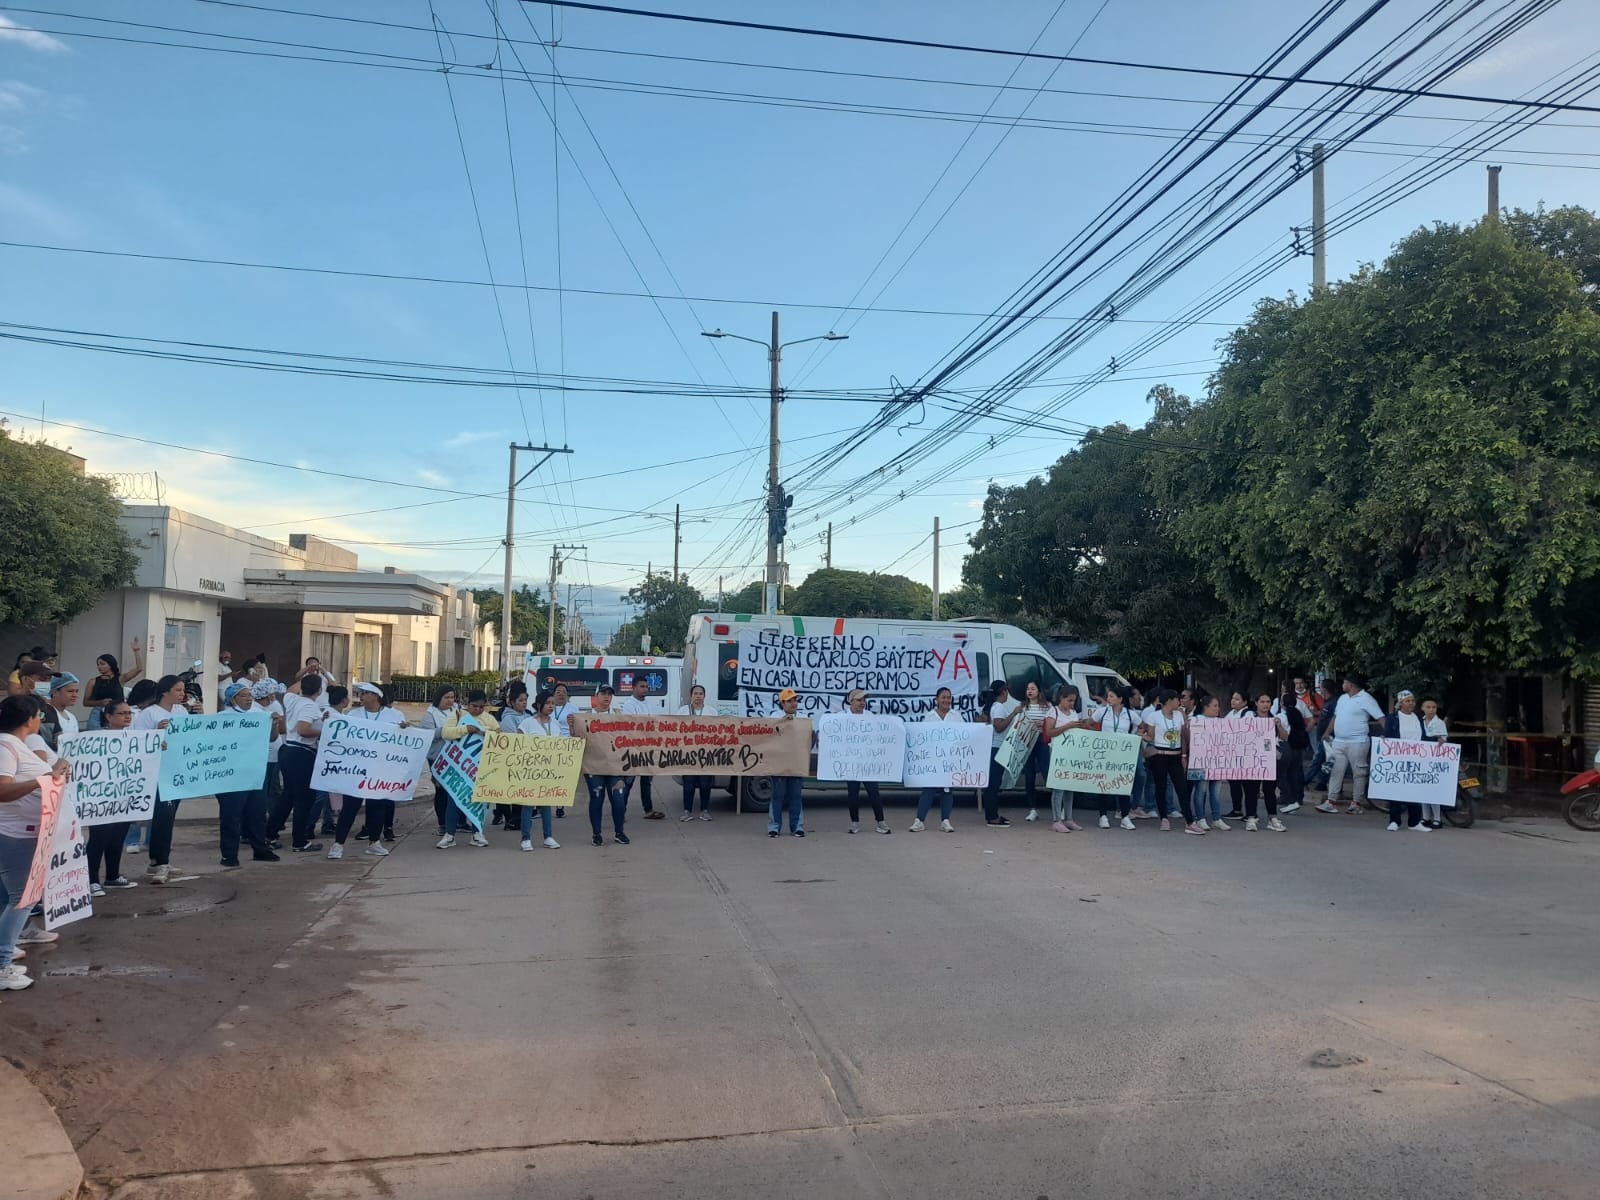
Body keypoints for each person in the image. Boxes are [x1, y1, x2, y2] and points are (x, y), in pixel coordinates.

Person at [0, 695, 73, 991]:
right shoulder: (6, 746)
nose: (40, 720)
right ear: (29, 718)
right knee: (23, 898)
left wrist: (55, 771)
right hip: (16, 834)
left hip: (22, 832)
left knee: (8, 898)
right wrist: (43, 780)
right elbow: (2, 791)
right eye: (39, 715)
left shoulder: (14, 745)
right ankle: (2, 965)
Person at [327, 683, 407, 860]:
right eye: (360, 693)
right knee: (350, 806)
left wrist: (404, 730)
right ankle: (338, 844)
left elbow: (402, 741)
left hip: (380, 769)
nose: (361, 696)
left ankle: (374, 842)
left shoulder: (394, 716)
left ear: (376, 696)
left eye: (365, 693)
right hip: (357, 769)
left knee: (377, 806)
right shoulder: (353, 715)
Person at [135, 674, 190, 884]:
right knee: (162, 815)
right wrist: (156, 735)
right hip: (157, 771)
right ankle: (161, 862)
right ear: (165, 692)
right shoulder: (149, 713)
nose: (182, 694)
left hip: (176, 769)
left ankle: (158, 860)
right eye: (178, 690)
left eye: (183, 690)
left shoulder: (181, 711)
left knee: (170, 815)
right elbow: (137, 741)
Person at [216, 684, 278, 867]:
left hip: (255, 771)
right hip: (231, 773)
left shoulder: (259, 715)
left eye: (250, 695)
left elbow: (272, 738)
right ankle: (229, 854)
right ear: (232, 699)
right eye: (243, 696)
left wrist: (274, 723)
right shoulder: (222, 717)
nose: (249, 699)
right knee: (231, 814)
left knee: (257, 812)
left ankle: (260, 849)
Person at [85, 699, 141, 895]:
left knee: (118, 836)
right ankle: (91, 880)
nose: (127, 716)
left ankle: (112, 876)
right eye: (122, 713)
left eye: (129, 713)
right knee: (99, 838)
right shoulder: (96, 737)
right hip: (100, 796)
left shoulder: (134, 737)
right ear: (108, 716)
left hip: (123, 795)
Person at [268, 673, 327, 855]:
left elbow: (290, 690)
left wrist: (306, 675)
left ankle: (269, 833)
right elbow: (303, 729)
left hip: (288, 749)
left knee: (288, 796)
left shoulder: (293, 700)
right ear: (319, 691)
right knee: (304, 799)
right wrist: (324, 731)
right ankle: (299, 841)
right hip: (302, 753)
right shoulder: (310, 706)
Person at [436, 691, 497, 849]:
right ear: (467, 704)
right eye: (474, 706)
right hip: (459, 766)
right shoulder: (457, 716)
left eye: (481, 707)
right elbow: (445, 733)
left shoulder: (489, 719)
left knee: (479, 801)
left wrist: (484, 731)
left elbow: (499, 736)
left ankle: (478, 833)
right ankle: (449, 835)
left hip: (481, 767)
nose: (477, 709)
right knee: (454, 800)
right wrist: (465, 729)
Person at [1141, 688, 1200, 834]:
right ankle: (1164, 818)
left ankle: (1189, 821)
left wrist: (1184, 755)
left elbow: (1184, 735)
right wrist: (1140, 736)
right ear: (1168, 701)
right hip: (1160, 755)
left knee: (1182, 788)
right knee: (1160, 786)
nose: (1179, 702)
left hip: (1176, 755)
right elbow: (1150, 736)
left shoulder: (1179, 715)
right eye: (1176, 699)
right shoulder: (1154, 716)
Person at [1327, 674, 1385, 815]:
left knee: (1359, 773)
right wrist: (1327, 731)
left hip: (1358, 741)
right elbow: (1336, 716)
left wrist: (1388, 734)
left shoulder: (1366, 699)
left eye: (1344, 682)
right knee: (1336, 770)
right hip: (1339, 741)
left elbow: (1380, 717)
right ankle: (1331, 801)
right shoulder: (1342, 698)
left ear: (1350, 684)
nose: (1342, 685)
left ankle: (1356, 803)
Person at [911, 687, 964, 832]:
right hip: (932, 760)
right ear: (937, 699)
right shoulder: (929, 716)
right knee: (928, 789)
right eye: (943, 697)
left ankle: (945, 820)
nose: (946, 700)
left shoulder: (956, 716)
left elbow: (964, 736)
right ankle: (919, 820)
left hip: (950, 759)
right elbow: (922, 737)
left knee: (947, 790)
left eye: (949, 697)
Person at [581, 684, 628, 846]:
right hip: (594, 767)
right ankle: (596, 834)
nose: (607, 697)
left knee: (619, 800)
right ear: (596, 696)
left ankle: (619, 832)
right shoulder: (586, 717)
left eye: (609, 694)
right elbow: (577, 737)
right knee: (596, 799)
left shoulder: (618, 715)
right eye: (603, 693)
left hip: (615, 766)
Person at [517, 691, 564, 850]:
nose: (551, 706)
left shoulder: (555, 724)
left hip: (549, 770)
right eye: (548, 703)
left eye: (553, 703)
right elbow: (518, 743)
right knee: (528, 804)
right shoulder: (527, 723)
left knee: (546, 803)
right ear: (539, 705)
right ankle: (525, 838)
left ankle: (548, 836)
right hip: (531, 769)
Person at [1043, 684, 1094, 832]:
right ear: (1061, 698)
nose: (1072, 703)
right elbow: (1050, 732)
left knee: (1070, 786)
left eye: (1074, 701)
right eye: (1069, 700)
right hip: (1057, 752)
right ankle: (1057, 819)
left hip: (1071, 753)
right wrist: (1069, 726)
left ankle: (1069, 818)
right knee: (1058, 786)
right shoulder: (1053, 712)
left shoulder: (1073, 713)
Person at [1381, 690, 1432, 833]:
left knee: (1414, 791)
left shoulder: (1419, 718)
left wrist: (1437, 741)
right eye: (1408, 701)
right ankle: (1394, 821)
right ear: (1401, 703)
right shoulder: (1393, 718)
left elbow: (1424, 737)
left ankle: (1414, 822)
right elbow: (1388, 734)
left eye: (1413, 701)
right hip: (1398, 759)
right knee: (1396, 790)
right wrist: (1384, 739)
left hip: (1416, 759)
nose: (1411, 703)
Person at [1091, 685, 1141, 830]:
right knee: (1104, 784)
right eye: (1108, 696)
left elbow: (1143, 726)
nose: (1108, 699)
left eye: (1112, 696)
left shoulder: (1130, 714)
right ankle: (1103, 816)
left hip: (1123, 754)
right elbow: (1088, 723)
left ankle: (1125, 816)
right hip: (1105, 753)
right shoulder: (1102, 711)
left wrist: (1133, 737)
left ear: (1120, 699)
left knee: (1123, 784)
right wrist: (1096, 738)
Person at [1240, 693, 1288, 832]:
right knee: (1252, 790)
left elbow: (1285, 737)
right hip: (1253, 758)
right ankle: (1251, 817)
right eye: (1262, 701)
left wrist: (1279, 726)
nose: (1265, 704)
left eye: (1268, 702)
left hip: (1270, 759)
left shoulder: (1274, 719)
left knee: (1269, 790)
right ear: (1256, 703)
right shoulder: (1250, 717)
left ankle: (1272, 818)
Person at [122, 679, 159, 855]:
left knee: (153, 803)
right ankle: (132, 839)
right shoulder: (131, 713)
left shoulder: (156, 712)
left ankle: (152, 840)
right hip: (133, 762)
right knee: (134, 802)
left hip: (152, 762)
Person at [620, 675, 662, 819]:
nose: (645, 689)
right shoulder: (629, 705)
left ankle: (648, 810)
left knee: (646, 781)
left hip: (648, 749)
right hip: (633, 749)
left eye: (646, 686)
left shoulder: (651, 704)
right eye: (642, 686)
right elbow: (631, 725)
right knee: (628, 782)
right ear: (633, 688)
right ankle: (620, 812)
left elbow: (655, 724)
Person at [491, 681, 531, 832]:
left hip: (525, 759)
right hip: (511, 759)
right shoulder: (508, 718)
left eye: (525, 700)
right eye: (520, 700)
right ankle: (510, 818)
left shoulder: (528, 716)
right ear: (512, 702)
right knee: (509, 790)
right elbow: (513, 738)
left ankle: (517, 817)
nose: (524, 703)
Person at [979, 680, 1019, 828]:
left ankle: (993, 814)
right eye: (1007, 691)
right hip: (997, 748)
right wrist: (1013, 713)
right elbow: (999, 727)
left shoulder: (994, 707)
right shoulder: (999, 707)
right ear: (1003, 691)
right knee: (993, 784)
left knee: (993, 783)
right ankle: (992, 817)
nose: (1008, 694)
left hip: (994, 748)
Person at [766, 688, 806, 837]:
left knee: (795, 795)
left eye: (795, 700)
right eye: (790, 701)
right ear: (782, 703)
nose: (794, 703)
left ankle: (797, 827)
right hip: (779, 762)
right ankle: (774, 827)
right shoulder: (774, 717)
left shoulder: (803, 718)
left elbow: (810, 737)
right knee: (777, 795)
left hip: (796, 762)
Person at [422, 685, 459, 837]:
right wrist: (445, 731)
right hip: (438, 757)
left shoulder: (457, 710)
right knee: (442, 791)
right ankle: (442, 824)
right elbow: (427, 735)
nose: (450, 701)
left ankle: (458, 822)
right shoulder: (431, 714)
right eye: (447, 697)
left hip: (455, 756)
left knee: (455, 790)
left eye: (452, 697)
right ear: (439, 698)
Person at [1188, 696, 1230, 831]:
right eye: (1215, 706)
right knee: (1201, 790)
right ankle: (1200, 818)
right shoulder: (1196, 720)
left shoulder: (1221, 722)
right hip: (1201, 761)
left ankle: (1216, 818)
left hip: (1217, 761)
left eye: (1218, 706)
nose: (1217, 709)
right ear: (1206, 707)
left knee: (1216, 791)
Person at [83, 640, 145, 729]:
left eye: (102, 664)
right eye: (98, 664)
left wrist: (136, 651)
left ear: (110, 664)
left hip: (117, 714)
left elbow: (139, 668)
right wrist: (100, 702)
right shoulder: (93, 681)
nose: (99, 667)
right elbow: (86, 702)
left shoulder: (120, 678)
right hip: (99, 714)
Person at [678, 684, 717, 822]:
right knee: (688, 784)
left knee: (705, 784)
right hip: (688, 754)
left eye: (701, 694)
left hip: (706, 754)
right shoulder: (683, 711)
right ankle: (687, 811)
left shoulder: (711, 711)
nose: (698, 696)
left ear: (704, 696)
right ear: (691, 696)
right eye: (695, 693)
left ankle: (704, 811)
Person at [1017, 681, 1052, 823]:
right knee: (1029, 775)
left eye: (1033, 689)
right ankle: (1032, 809)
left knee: (1046, 772)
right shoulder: (1023, 706)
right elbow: (1018, 723)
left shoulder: (1047, 706)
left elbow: (1052, 722)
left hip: (1042, 741)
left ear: (1039, 691)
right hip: (1027, 741)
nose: (1030, 691)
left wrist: (1042, 724)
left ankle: (1059, 806)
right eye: (1028, 689)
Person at [255, 679, 286, 809]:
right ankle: (272, 814)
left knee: (271, 786)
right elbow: (280, 730)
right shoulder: (260, 711)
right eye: (272, 694)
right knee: (271, 787)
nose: (274, 697)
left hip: (272, 753)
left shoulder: (265, 708)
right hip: (268, 755)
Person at [1277, 693, 1309, 814]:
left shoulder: (1281, 716)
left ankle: (1290, 800)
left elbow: (1283, 735)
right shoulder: (1297, 714)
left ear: (1282, 704)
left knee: (1282, 775)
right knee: (1294, 775)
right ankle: (1296, 798)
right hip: (1298, 748)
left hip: (1286, 747)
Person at [1420, 698, 1449, 829]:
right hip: (1421, 758)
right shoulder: (1419, 722)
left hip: (1435, 758)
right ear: (1423, 708)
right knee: (1423, 789)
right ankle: (1425, 817)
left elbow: (1444, 739)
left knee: (1433, 790)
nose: (1431, 710)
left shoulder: (1440, 723)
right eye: (1428, 707)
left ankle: (1437, 818)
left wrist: (1441, 740)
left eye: (1434, 707)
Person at [39, 672, 81, 752]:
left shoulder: (72, 717)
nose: (75, 695)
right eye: (70, 691)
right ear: (55, 692)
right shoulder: (46, 713)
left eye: (76, 691)